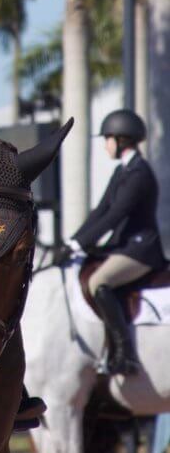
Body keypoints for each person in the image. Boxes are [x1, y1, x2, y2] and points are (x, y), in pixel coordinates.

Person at [64, 109, 165, 375]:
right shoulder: (123, 171)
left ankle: (125, 354)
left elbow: (116, 214)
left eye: (107, 138)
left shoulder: (139, 174)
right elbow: (100, 211)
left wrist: (81, 245)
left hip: (141, 250)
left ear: (120, 139)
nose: (105, 144)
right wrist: (73, 242)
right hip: (125, 245)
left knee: (99, 282)